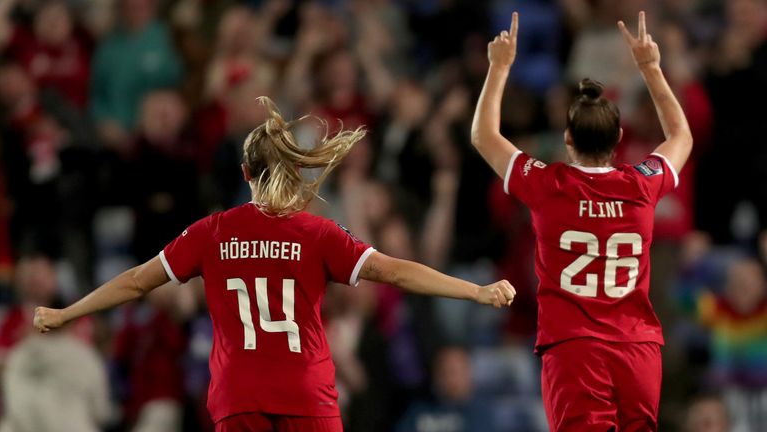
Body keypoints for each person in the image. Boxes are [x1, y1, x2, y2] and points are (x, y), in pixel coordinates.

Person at [33, 96, 516, 432]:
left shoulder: (211, 232)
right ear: (292, 170)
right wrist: (473, 291)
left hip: (238, 395)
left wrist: (65, 312)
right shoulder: (317, 233)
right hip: (306, 393)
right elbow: (395, 270)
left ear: (244, 173)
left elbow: (137, 283)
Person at [471, 11, 692, 432]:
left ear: (567, 138)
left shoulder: (547, 184)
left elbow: (484, 136)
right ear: (619, 140)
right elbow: (681, 135)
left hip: (574, 349)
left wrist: (499, 67)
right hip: (638, 349)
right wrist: (651, 69)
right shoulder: (641, 185)